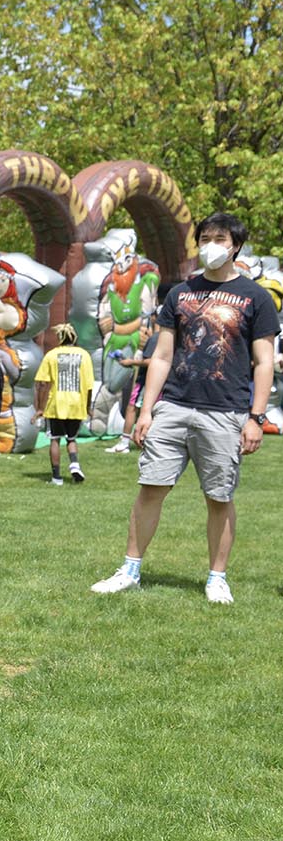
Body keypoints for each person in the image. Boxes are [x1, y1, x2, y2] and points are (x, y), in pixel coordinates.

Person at [92, 213, 279, 604]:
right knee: (150, 490)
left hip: (225, 412)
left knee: (219, 496)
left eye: (219, 237)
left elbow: (264, 362)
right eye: (205, 237)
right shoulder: (179, 293)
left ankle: (216, 578)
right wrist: (146, 411)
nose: (210, 244)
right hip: (173, 407)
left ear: (236, 245)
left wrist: (256, 418)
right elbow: (161, 356)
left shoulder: (256, 297)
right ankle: (130, 569)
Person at [33, 323, 95, 485]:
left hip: (56, 405)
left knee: (55, 439)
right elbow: (89, 386)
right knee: (72, 438)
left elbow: (42, 383)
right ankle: (74, 464)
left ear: (60, 338)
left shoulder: (52, 355)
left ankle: (56, 477)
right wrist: (87, 407)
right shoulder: (84, 355)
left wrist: (40, 408)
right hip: (77, 404)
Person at [105, 316, 157, 454]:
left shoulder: (154, 338)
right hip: (154, 381)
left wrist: (131, 362)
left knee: (132, 408)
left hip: (146, 380)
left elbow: (151, 361)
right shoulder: (161, 338)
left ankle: (124, 443)